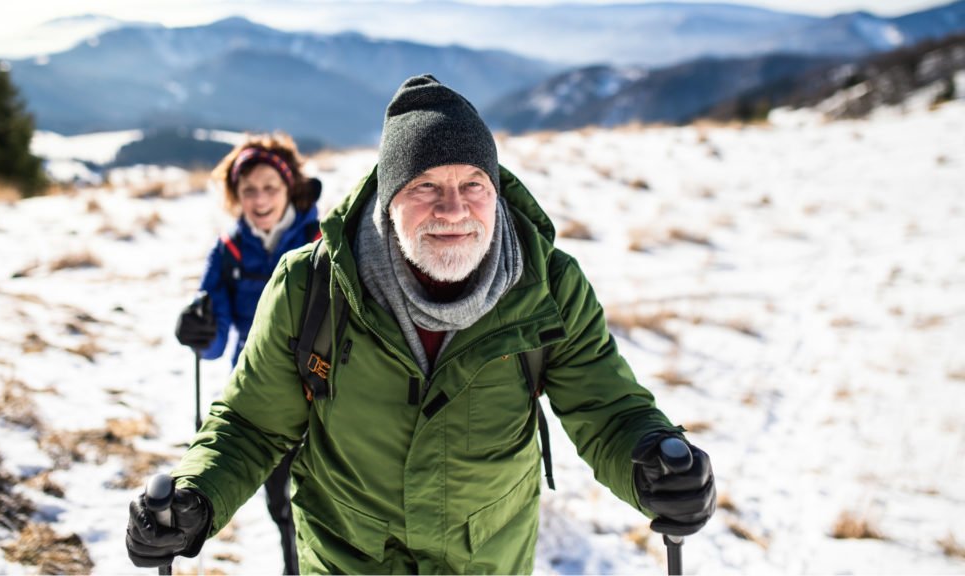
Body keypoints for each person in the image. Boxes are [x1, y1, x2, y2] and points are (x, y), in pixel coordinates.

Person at [127, 75, 716, 574]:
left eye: (473, 185)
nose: (453, 210)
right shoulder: (313, 285)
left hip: (486, 561)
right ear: (388, 199)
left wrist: (653, 463)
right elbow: (253, 423)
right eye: (426, 186)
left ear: (495, 191)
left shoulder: (547, 286)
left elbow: (608, 409)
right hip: (346, 558)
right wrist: (196, 497)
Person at [171, 133, 320, 574]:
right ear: (235, 195)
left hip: (323, 386)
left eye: (270, 187)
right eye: (249, 189)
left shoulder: (321, 240)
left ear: (289, 187)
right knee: (282, 505)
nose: (260, 199)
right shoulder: (228, 251)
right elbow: (214, 343)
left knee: (321, 504)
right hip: (259, 391)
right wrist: (197, 329)